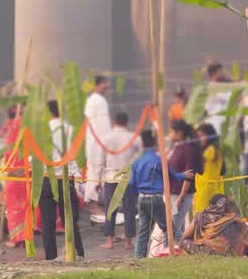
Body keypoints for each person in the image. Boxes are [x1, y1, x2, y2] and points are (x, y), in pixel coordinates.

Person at [129, 129, 193, 258]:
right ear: (155, 143)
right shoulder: (158, 160)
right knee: (170, 228)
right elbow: (171, 175)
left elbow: (131, 184)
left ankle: (138, 259)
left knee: (143, 231)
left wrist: (139, 195)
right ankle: (176, 254)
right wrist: (183, 175)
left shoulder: (137, 161)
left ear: (142, 144)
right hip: (156, 199)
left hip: (142, 199)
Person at [38, 99, 85, 260]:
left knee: (47, 223)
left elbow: (33, 158)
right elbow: (73, 157)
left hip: (45, 180)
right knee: (70, 222)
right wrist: (78, 178)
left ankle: (50, 257)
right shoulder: (70, 130)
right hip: (65, 180)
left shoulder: (41, 130)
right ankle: (78, 254)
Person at [100, 111, 141, 250]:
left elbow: (101, 160)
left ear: (114, 122)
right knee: (129, 209)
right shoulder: (134, 138)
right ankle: (128, 242)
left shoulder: (106, 138)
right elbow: (140, 156)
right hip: (128, 178)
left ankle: (109, 241)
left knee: (110, 210)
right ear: (126, 122)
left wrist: (98, 180)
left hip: (111, 177)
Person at [179, 194, 248, 257]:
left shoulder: (202, 216)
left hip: (206, 252)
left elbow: (184, 238)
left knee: (184, 242)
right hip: (230, 255)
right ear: (225, 206)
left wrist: (199, 239)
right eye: (229, 204)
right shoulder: (234, 219)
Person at [1, 105, 31, 248]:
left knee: (14, 208)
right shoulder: (30, 126)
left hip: (15, 174)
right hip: (27, 173)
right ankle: (26, 238)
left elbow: (8, 150)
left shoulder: (16, 126)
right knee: (26, 206)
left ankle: (17, 240)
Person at [168, 119, 203, 232]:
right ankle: (176, 248)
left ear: (179, 133)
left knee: (174, 228)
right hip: (173, 192)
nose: (169, 135)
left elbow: (189, 174)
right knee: (176, 227)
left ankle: (172, 249)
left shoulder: (187, 149)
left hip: (181, 194)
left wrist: (181, 197)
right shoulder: (177, 147)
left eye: (171, 132)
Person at [83, 75, 112, 207]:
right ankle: (91, 204)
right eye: (104, 84)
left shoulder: (99, 100)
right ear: (97, 85)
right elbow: (95, 125)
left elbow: (104, 124)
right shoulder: (94, 100)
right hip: (96, 144)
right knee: (94, 172)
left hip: (101, 143)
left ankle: (99, 203)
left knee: (100, 173)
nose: (106, 86)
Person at [193, 123, 225, 213]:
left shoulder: (211, 149)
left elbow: (197, 162)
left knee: (200, 215)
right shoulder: (213, 149)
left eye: (202, 136)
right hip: (204, 187)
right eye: (197, 136)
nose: (199, 139)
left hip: (207, 189)